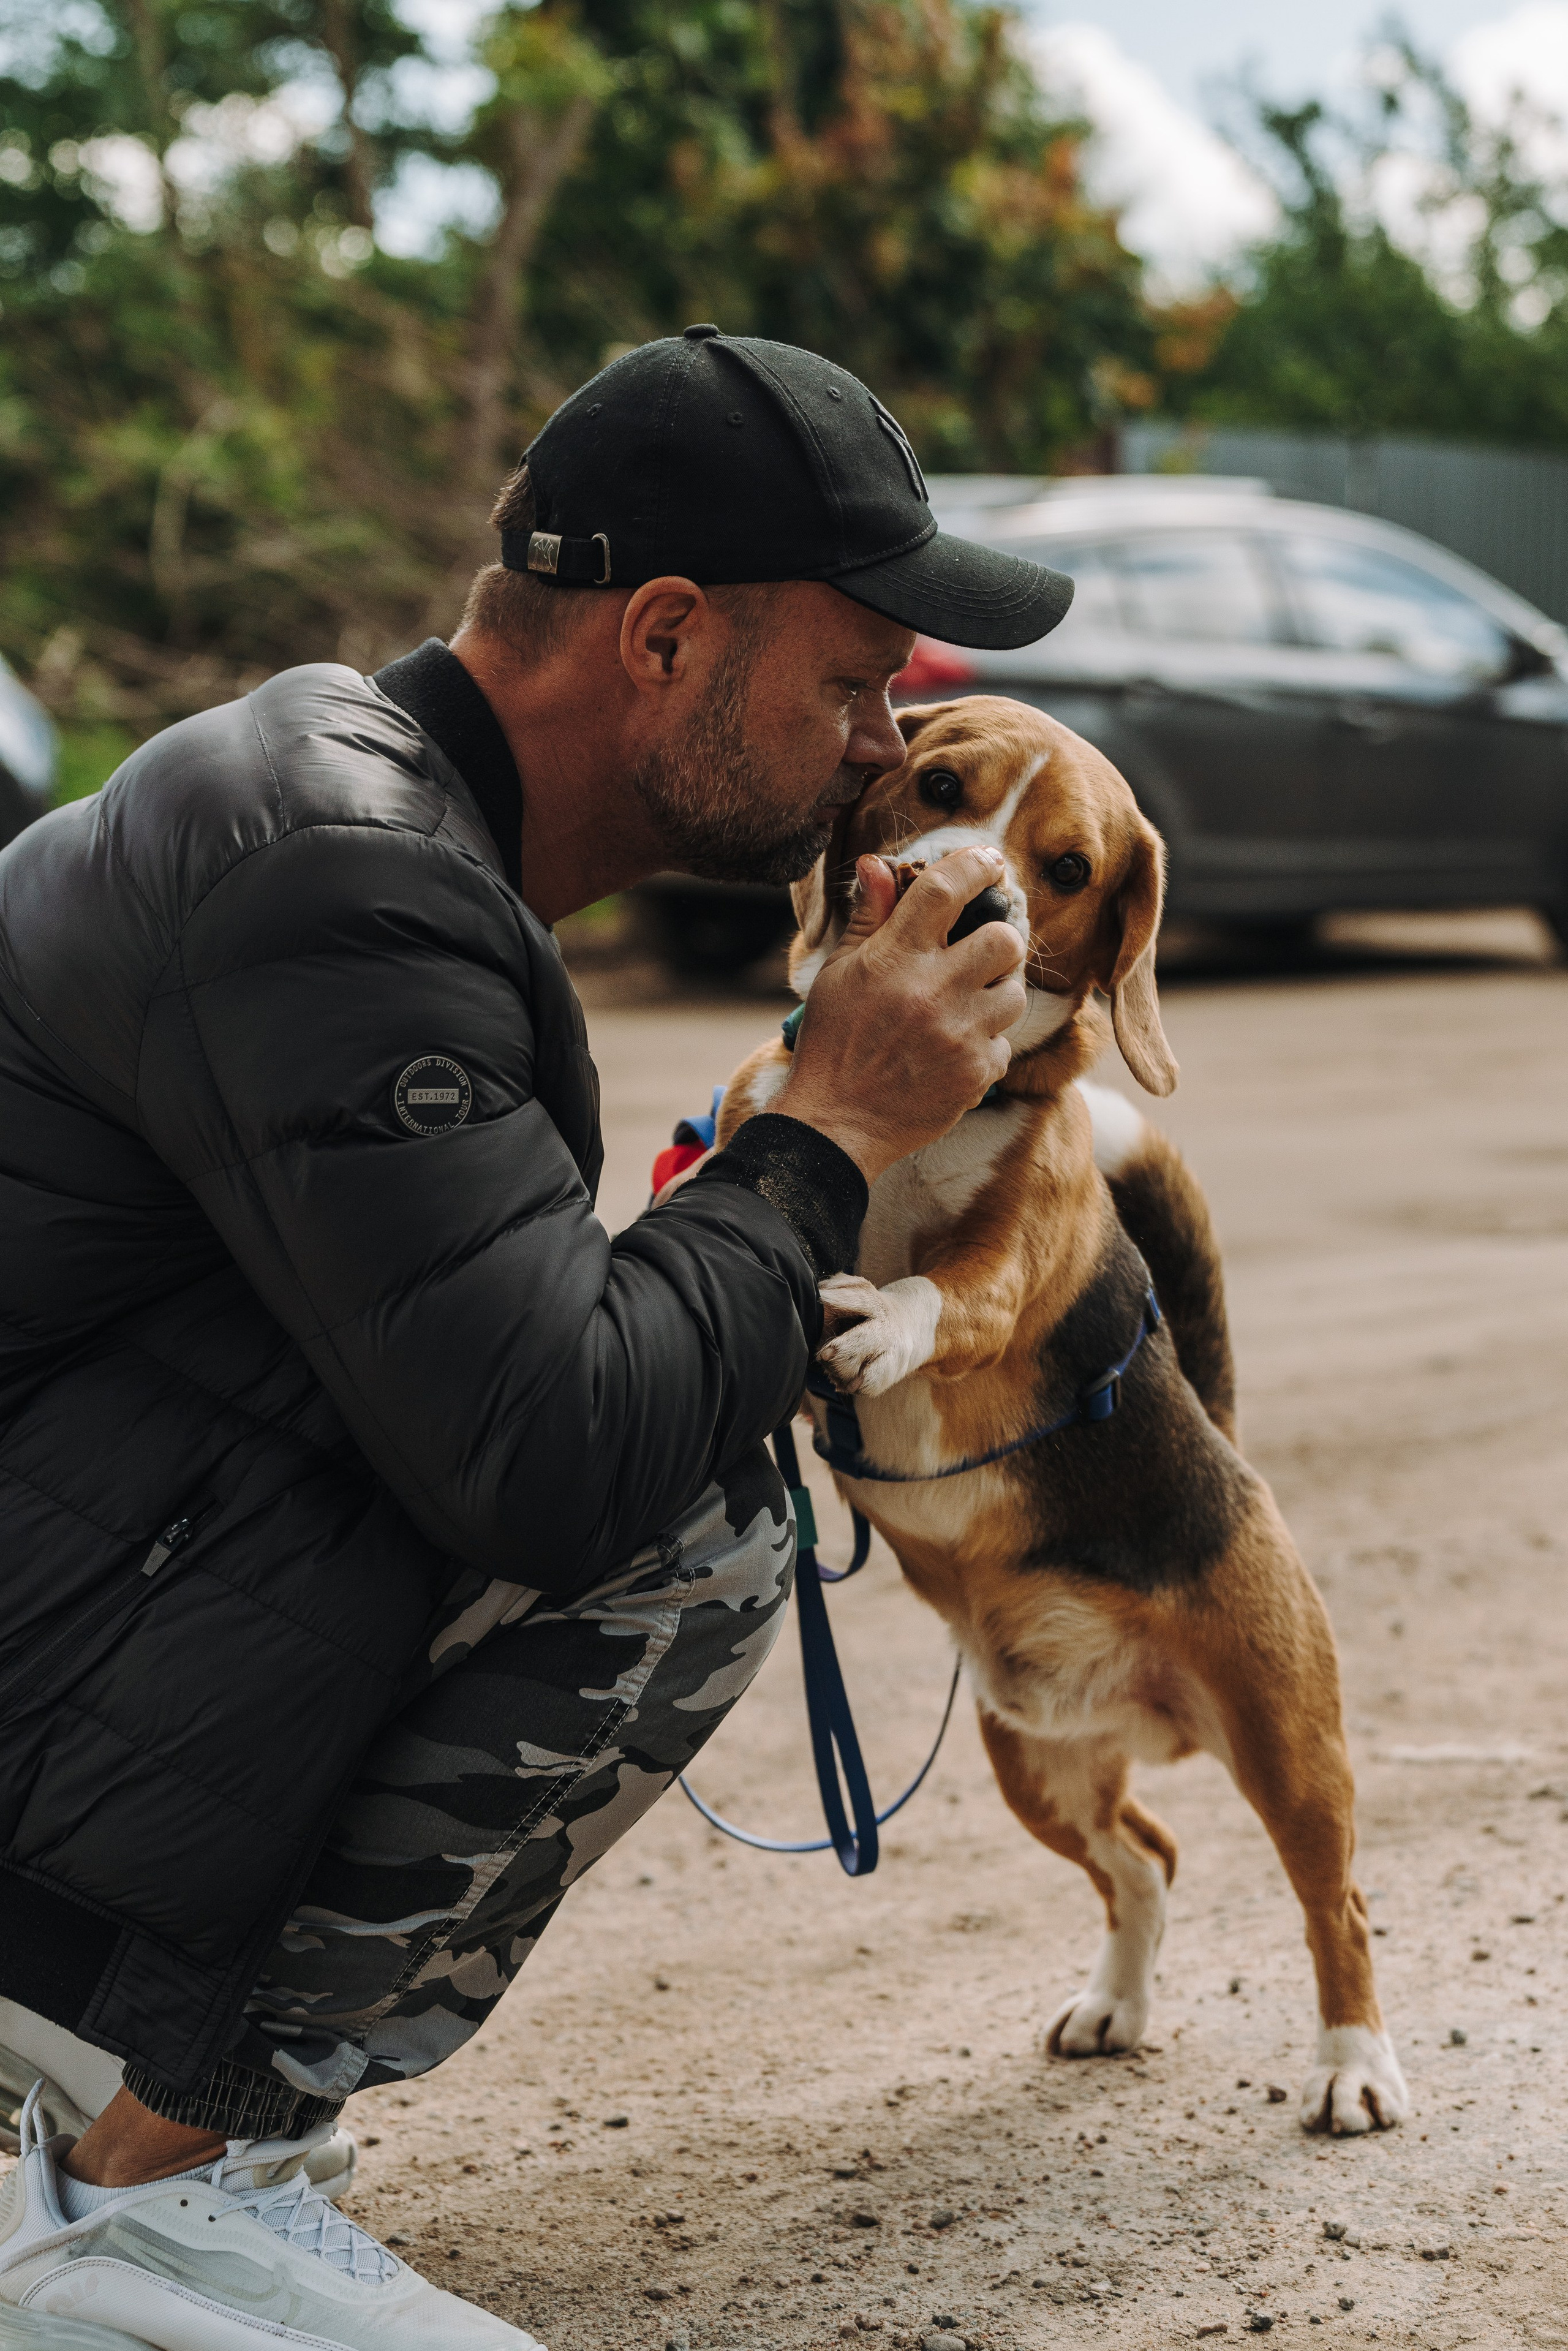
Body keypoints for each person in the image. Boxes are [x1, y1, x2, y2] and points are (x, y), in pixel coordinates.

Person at [0, 326, 1070, 2347]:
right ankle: (135, 2182)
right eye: (851, 687)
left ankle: (146, 2107)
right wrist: (831, 1128)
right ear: (663, 637)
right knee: (680, 1515)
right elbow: (558, 1454)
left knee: (614, 1392)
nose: (875, 749)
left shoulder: (375, 823)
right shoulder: (346, 876)